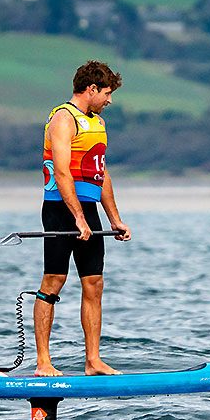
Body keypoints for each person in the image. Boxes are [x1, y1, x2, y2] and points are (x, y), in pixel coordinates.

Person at [33, 60, 131, 377]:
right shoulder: (64, 119)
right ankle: (44, 362)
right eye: (106, 93)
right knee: (54, 281)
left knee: (94, 283)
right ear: (91, 89)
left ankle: (93, 361)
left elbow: (101, 174)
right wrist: (77, 216)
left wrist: (114, 219)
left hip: (87, 211)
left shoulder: (97, 124)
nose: (109, 100)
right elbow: (62, 172)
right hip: (61, 209)